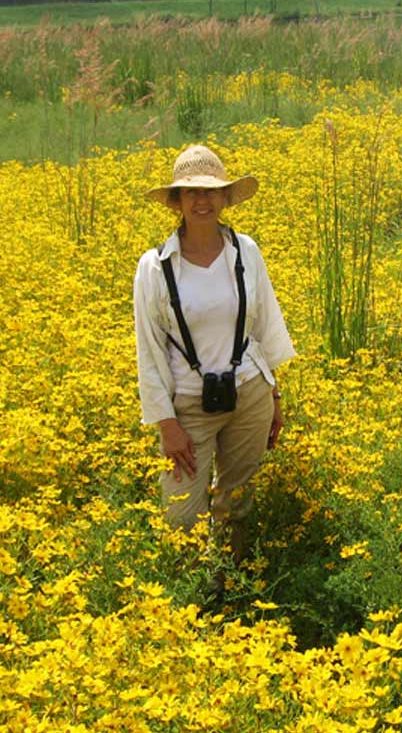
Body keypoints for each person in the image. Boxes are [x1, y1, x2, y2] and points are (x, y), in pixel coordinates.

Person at [134, 144, 295, 566]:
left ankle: (227, 595)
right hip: (187, 407)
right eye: (191, 193)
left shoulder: (246, 252)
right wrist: (166, 423)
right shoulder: (154, 267)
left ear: (225, 198)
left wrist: (274, 397)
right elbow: (148, 350)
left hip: (250, 397)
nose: (201, 201)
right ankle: (186, 613)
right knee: (181, 518)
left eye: (210, 191)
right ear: (177, 202)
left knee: (237, 505)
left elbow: (263, 327)